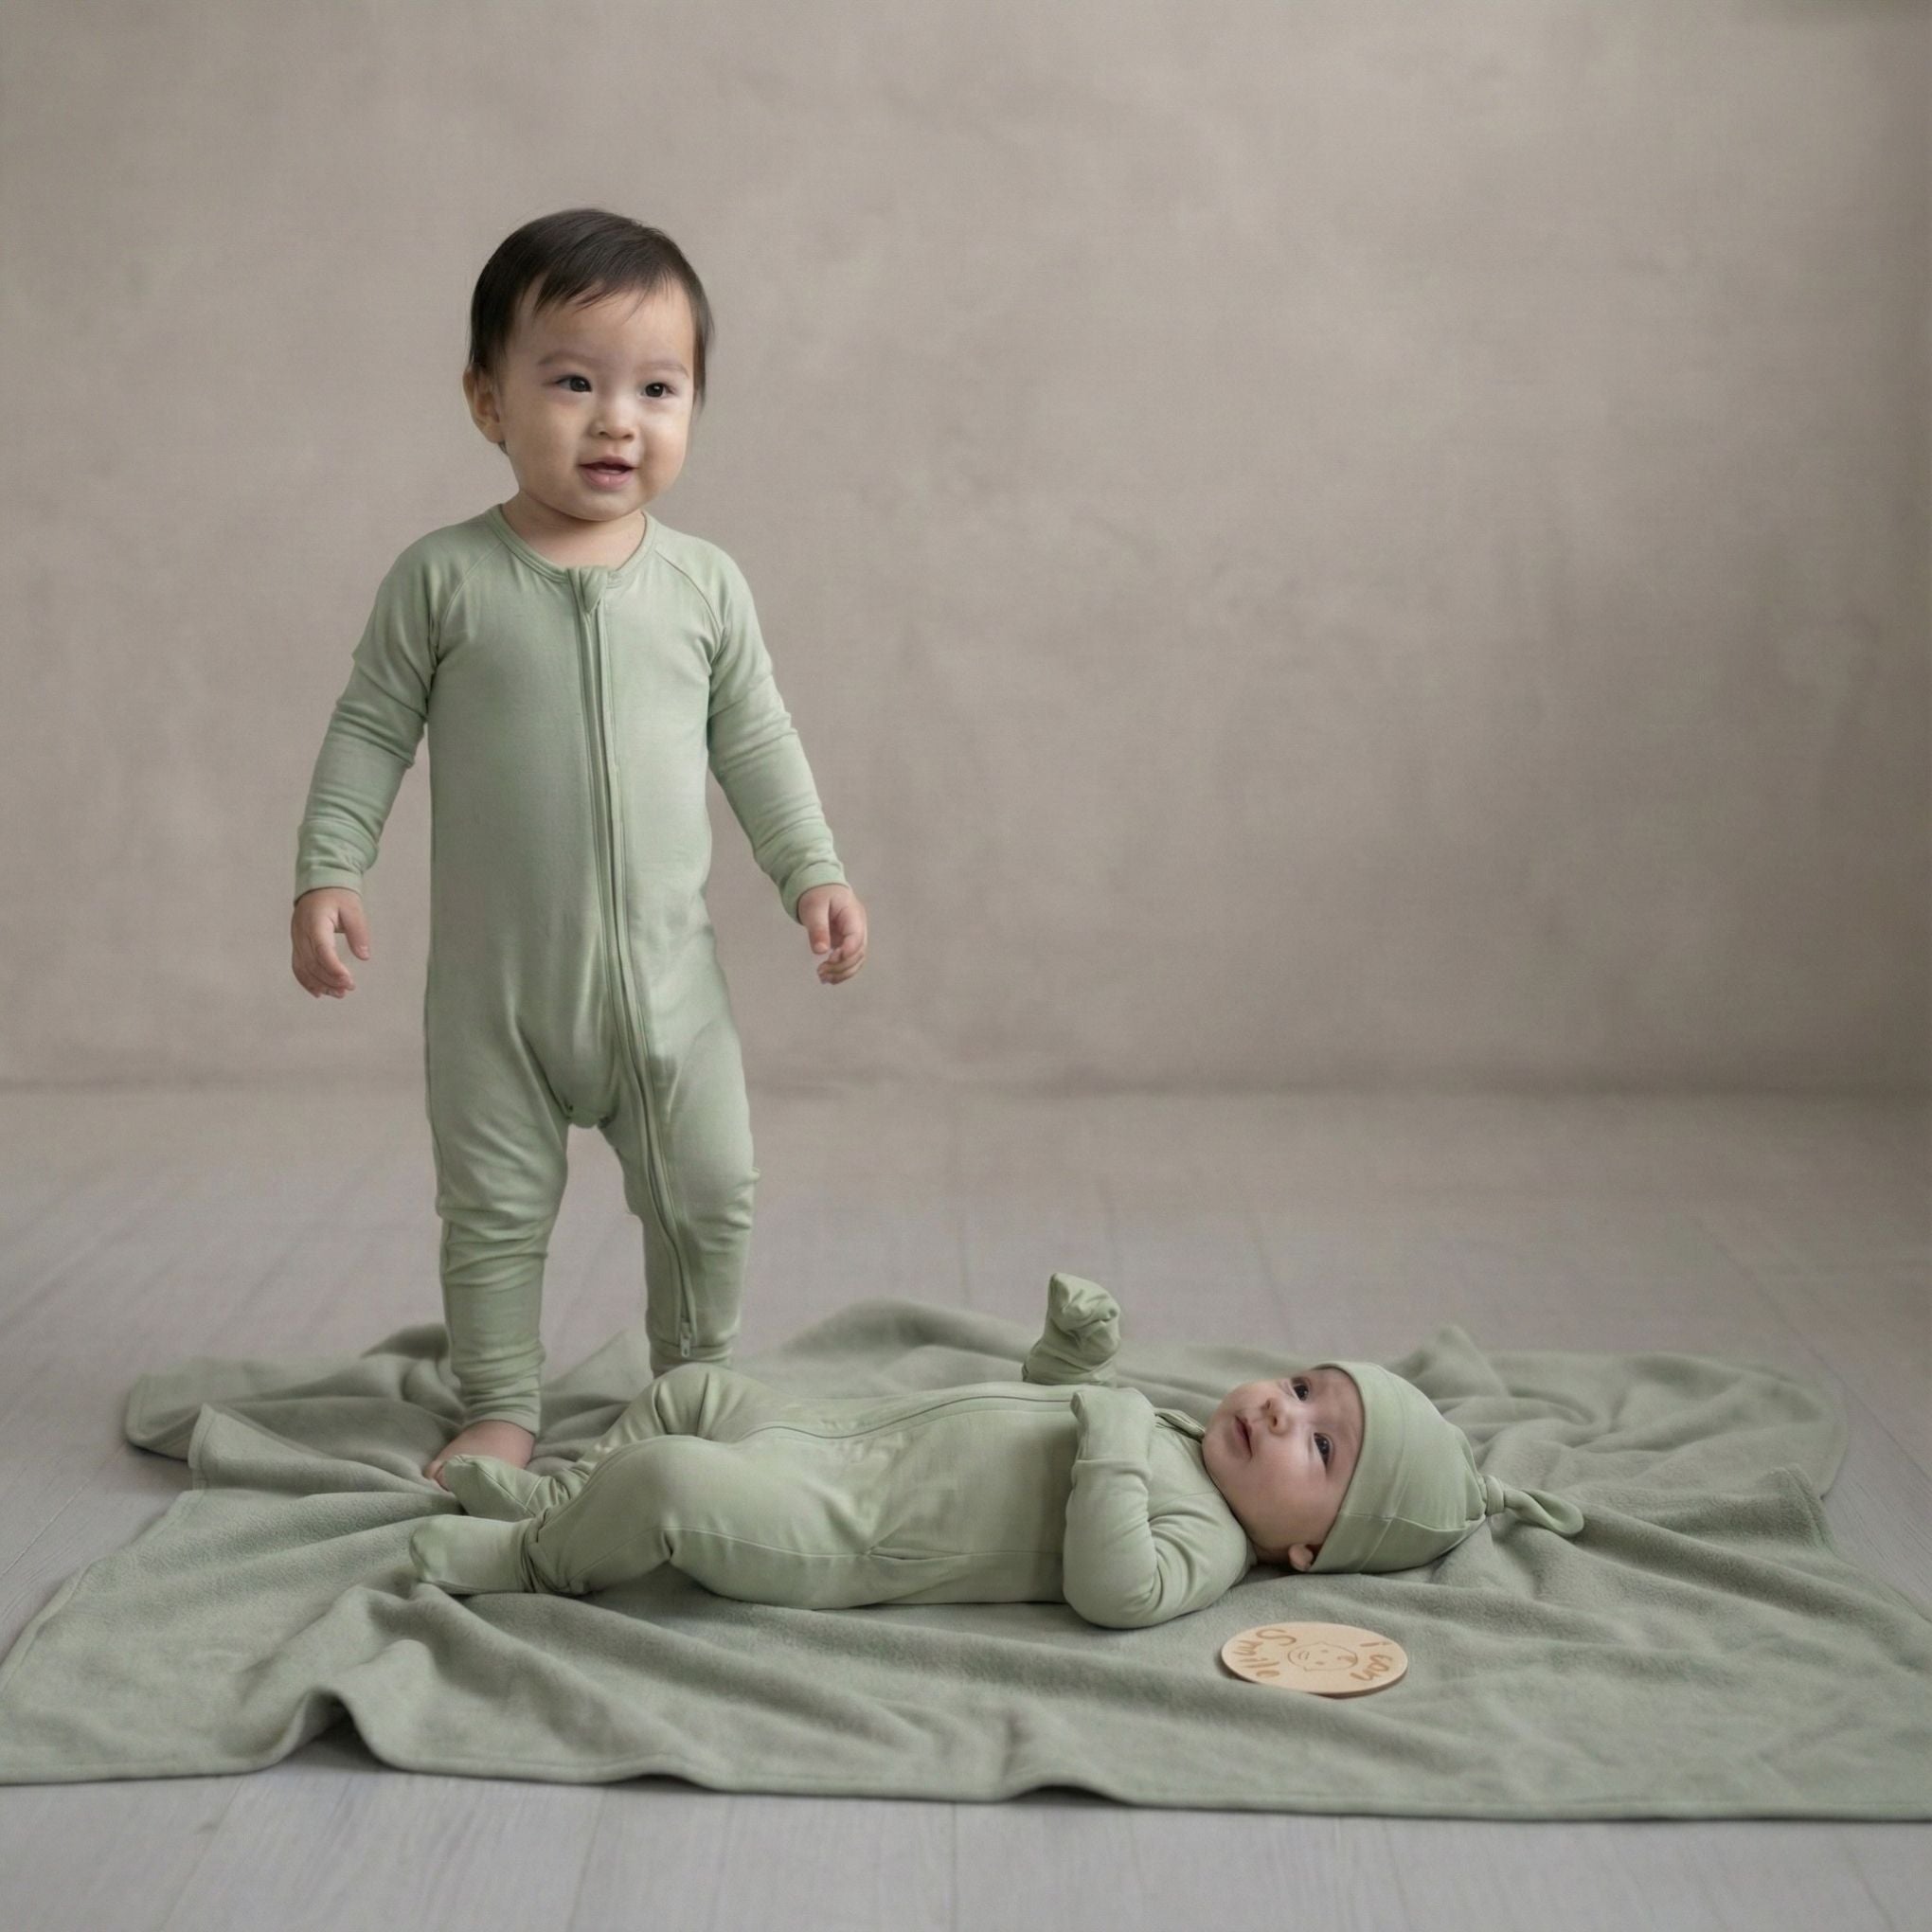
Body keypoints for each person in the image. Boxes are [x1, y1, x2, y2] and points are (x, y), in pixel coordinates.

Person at [289, 209, 868, 1489]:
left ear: (694, 403)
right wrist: (330, 867)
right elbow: (370, 729)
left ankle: (694, 1373)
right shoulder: (442, 580)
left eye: (658, 389)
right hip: (498, 998)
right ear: (487, 401)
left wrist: (810, 872)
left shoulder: (706, 587)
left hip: (670, 985)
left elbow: (758, 744)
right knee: (492, 1212)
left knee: (712, 1188)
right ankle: (500, 1401)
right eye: (573, 382)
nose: (618, 420)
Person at [408, 1275, 1587, 1629]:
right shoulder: (1176, 1428)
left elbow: (1110, 1588)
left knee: (667, 1486)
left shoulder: (1209, 1544)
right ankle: (563, 1493)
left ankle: (532, 1555)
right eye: (1298, 1387)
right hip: (826, 1436)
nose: (1282, 1412)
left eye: (1321, 1446)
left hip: (841, 1530)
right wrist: (1072, 1364)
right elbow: (1042, 1424)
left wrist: (1115, 1438)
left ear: (1311, 1552)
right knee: (686, 1390)